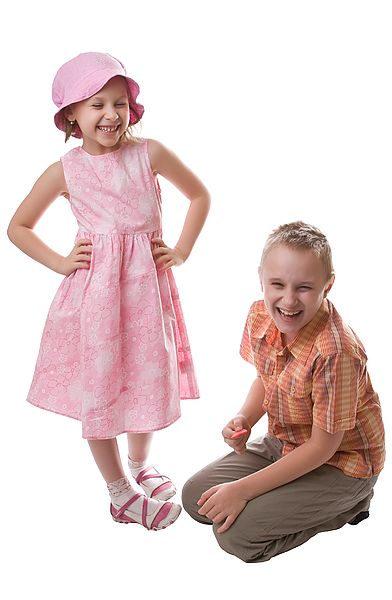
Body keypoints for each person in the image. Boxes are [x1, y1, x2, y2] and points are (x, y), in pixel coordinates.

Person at [7, 52, 210, 531]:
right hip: (95, 302)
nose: (111, 114)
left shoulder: (150, 154)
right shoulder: (66, 171)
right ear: (71, 115)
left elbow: (200, 195)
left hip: (145, 296)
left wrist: (180, 250)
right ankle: (119, 491)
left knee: (145, 379)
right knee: (100, 390)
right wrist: (60, 261)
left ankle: (141, 466)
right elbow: (18, 226)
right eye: (96, 103)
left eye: (118, 102)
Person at [182, 221, 385, 561]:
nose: (288, 300)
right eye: (277, 284)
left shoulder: (335, 353)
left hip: (340, 464)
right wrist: (244, 417)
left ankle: (352, 503)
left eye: (304, 288)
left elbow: (323, 448)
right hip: (285, 443)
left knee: (236, 536)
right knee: (196, 499)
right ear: (261, 278)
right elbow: (266, 378)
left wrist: (243, 490)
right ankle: (282, 495)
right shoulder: (261, 315)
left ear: (327, 286)